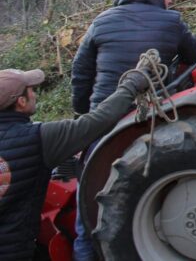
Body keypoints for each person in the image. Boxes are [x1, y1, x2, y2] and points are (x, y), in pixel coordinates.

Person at [70, 0, 196, 260]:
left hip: (107, 118)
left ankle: (85, 252)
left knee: (87, 202)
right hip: (154, 116)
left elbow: (80, 74)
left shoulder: (101, 22)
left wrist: (84, 113)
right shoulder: (172, 21)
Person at [0, 64, 155, 261]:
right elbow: (97, 121)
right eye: (31, 91)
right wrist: (131, 85)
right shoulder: (39, 138)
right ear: (21, 102)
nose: (35, 95)